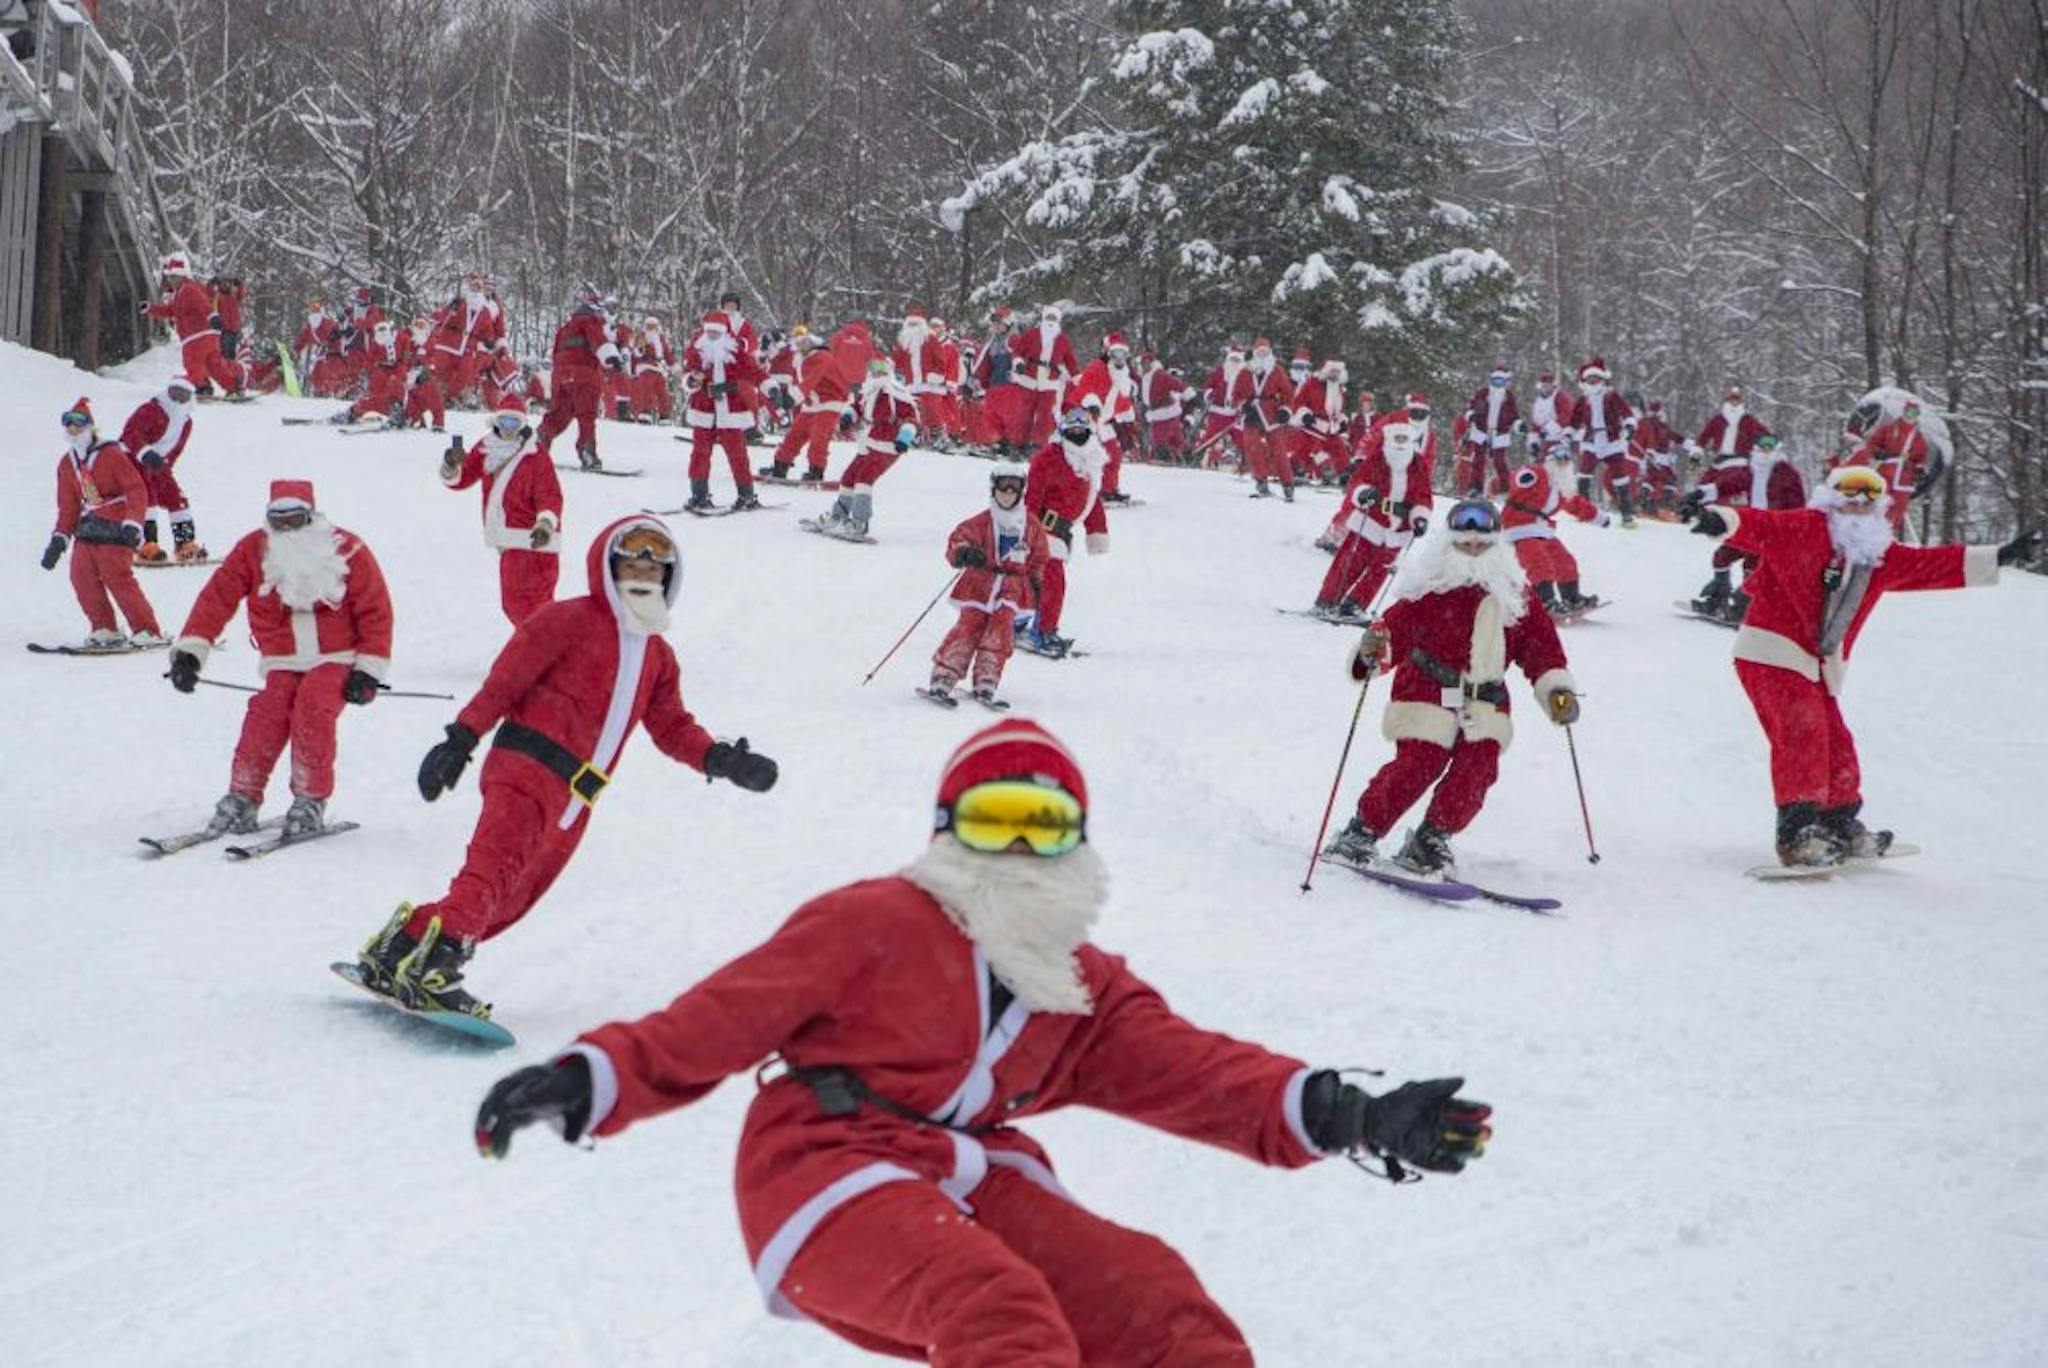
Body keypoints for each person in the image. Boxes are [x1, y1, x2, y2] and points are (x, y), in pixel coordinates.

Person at [472, 717, 1493, 1364]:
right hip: (822, 1168)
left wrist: (1352, 1113)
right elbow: (722, 1013)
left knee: (1156, 1304)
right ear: (944, 831)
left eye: (1041, 826)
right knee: (998, 1311)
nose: (1013, 847)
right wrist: (587, 1078)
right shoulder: (875, 919)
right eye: (991, 819)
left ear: (1074, 845)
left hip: (962, 1173)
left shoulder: (1078, 986)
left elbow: (1196, 1072)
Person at [354, 516, 779, 1015]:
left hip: (577, 797)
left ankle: (400, 946)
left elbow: (671, 727)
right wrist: (461, 737)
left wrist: (721, 759)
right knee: (492, 874)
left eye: (653, 566)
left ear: (669, 578)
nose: (641, 574)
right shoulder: (567, 619)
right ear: (607, 566)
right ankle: (435, 967)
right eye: (630, 563)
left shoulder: (658, 657)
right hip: (527, 765)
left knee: (512, 898)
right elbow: (505, 682)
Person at [1684, 467, 2034, 866]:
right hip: (1772, 650)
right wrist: (1716, 517)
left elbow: (1934, 564)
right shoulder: (1802, 525)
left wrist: (2000, 556)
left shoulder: (1878, 555)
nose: (1860, 503)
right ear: (1831, 496)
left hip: (1817, 663)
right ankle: (1797, 833)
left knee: (1837, 742)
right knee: (1803, 731)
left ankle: (1837, 823)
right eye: (1851, 493)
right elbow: (1753, 523)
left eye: (1871, 495)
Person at [1322, 500, 1579, 876]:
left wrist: (1556, 689)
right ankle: (1360, 832)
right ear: (1448, 541)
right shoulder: (1429, 588)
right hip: (1427, 688)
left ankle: (1431, 838)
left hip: (1484, 698)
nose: (1474, 546)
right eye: (1464, 541)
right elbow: (1392, 633)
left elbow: (1541, 649)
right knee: (1421, 760)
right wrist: (1372, 652)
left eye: (1482, 542)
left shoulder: (1515, 595)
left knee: (1478, 766)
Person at [167, 480, 393, 838]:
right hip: (283, 658)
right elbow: (217, 598)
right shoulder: (253, 550)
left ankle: (310, 799)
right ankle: (242, 795)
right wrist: (191, 653)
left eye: (296, 518)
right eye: (279, 519)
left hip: (335, 657)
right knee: (266, 713)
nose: (287, 527)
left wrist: (368, 669)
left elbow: (375, 609)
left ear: (311, 515)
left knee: (312, 708)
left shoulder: (345, 548)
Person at [41, 397, 162, 649]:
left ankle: (147, 629)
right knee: (81, 575)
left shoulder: (112, 455)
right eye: (68, 422)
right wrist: (59, 538)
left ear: (90, 426)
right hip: (89, 525)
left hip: (116, 522)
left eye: (79, 422)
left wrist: (133, 522)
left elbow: (136, 489)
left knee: (116, 575)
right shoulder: (67, 464)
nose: (73, 428)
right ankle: (104, 627)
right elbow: (68, 506)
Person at [927, 464, 1049, 705]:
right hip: (979, 584)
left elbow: (1040, 558)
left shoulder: (1031, 526)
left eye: (1013, 490)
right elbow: (958, 539)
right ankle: (944, 674)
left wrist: (1036, 586)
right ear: (994, 490)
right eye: (1003, 489)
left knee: (1000, 632)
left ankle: (987, 678)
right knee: (968, 627)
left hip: (1011, 588)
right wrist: (964, 553)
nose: (1007, 494)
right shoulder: (982, 522)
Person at [440, 401, 564, 626]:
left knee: (531, 604)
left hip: (536, 540)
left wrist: (545, 524)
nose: (508, 427)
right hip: (509, 540)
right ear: (496, 421)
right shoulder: (487, 447)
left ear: (522, 423)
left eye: (514, 421)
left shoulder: (535, 455)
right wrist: (451, 464)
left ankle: (544, 649)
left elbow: (550, 494)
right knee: (517, 604)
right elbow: (462, 478)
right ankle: (544, 647)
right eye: (504, 420)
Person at [1313, 398, 1435, 620]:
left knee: (1381, 570)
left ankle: (1355, 604)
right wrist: (1364, 493)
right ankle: (1327, 599)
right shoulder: (1378, 458)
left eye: (1404, 438)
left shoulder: (1418, 465)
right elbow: (1358, 482)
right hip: (1370, 521)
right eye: (1396, 437)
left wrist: (1420, 517)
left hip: (1399, 528)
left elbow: (1423, 496)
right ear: (1389, 437)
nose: (1400, 443)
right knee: (1348, 563)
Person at [1682, 432, 1806, 622]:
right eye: (1762, 445)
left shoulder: (1788, 474)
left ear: (1777, 448)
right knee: (1722, 557)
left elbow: (1799, 507)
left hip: (1773, 530)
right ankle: (1718, 596)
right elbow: (1725, 486)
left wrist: (1791, 531)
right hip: (1749, 526)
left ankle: (1747, 606)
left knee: (1754, 567)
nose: (1766, 450)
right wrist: (1698, 495)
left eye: (1770, 446)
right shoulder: (1750, 471)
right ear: (1755, 448)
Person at [1020, 409, 1109, 657]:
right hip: (1044, 530)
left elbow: (1092, 500)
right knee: (1051, 581)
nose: (1077, 436)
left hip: (1063, 532)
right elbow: (1032, 497)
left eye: (1082, 432)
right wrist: (1028, 531)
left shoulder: (1091, 460)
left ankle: (1019, 623)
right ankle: (1042, 631)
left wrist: (1097, 531)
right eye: (1072, 432)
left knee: (1035, 582)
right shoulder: (1050, 458)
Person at [807, 358, 918, 539]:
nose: (877, 374)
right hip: (869, 443)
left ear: (889, 372)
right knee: (849, 477)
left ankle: (859, 522)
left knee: (864, 480)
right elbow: (857, 407)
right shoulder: (869, 391)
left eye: (882, 370)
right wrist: (847, 418)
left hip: (888, 445)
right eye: (873, 369)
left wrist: (905, 437)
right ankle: (838, 516)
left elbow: (911, 418)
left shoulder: (896, 393)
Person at [681, 310, 769, 511]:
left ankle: (746, 496)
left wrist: (769, 386)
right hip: (704, 408)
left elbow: (754, 372)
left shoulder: (736, 353)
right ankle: (699, 495)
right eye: (709, 332)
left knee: (737, 454)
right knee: (700, 453)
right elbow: (687, 375)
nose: (711, 335)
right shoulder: (697, 351)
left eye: (716, 332)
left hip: (730, 409)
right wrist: (692, 380)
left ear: (725, 333)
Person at [119, 375, 208, 566]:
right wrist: (145, 453)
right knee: (146, 498)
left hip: (158, 465)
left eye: (182, 395)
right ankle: (146, 544)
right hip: (132, 459)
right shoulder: (151, 410)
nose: (177, 399)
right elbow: (130, 433)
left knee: (177, 498)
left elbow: (175, 450)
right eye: (174, 393)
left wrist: (164, 470)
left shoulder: (186, 422)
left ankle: (185, 543)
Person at [536, 285, 622, 472]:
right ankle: (587, 452)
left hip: (561, 377)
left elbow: (556, 355)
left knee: (559, 415)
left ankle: (539, 443)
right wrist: (611, 357)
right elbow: (598, 341)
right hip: (584, 375)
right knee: (586, 415)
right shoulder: (590, 321)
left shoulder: (564, 328)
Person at [1502, 461, 1606, 615]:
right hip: (1520, 527)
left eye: (1565, 458)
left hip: (1541, 529)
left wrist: (1598, 517)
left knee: (1564, 561)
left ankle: (1572, 597)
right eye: (1558, 457)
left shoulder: (1559, 489)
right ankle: (1545, 601)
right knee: (1539, 564)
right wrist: (1525, 476)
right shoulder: (1537, 474)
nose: (1562, 461)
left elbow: (1574, 504)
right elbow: (1518, 479)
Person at [145, 252, 242, 398]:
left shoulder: (189, 289)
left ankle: (202, 387)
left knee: (192, 364)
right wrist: (150, 308)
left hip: (195, 337)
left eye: (174, 277)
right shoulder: (180, 293)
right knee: (214, 366)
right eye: (170, 277)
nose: (171, 280)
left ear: (182, 276)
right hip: (208, 337)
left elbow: (202, 303)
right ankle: (234, 387)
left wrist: (213, 316)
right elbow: (170, 310)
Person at [757, 325, 845, 483]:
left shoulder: (821, 357)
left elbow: (810, 380)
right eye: (798, 343)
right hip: (811, 404)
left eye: (804, 343)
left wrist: (791, 398)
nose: (799, 346)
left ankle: (816, 471)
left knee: (819, 439)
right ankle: (780, 466)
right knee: (794, 436)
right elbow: (797, 381)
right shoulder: (801, 360)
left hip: (829, 403)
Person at [1847, 396, 1946, 534]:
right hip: (1886, 473)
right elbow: (1873, 443)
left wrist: (1919, 471)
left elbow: (1920, 457)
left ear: (1917, 415)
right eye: (1908, 412)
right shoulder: (1889, 429)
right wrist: (1879, 453)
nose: (1910, 416)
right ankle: (1869, 531)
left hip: (1905, 479)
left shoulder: (1918, 437)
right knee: (1878, 503)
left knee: (1897, 512)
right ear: (1903, 411)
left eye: (1913, 413)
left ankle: (1887, 536)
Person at [1565, 357, 1634, 513]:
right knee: (1583, 475)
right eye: (1590, 379)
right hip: (1591, 440)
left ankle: (1627, 512)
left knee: (1620, 476)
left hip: (1611, 440)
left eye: (1596, 378)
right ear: (1585, 381)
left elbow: (1626, 413)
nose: (1593, 382)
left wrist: (1629, 426)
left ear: (1602, 379)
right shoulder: (1583, 399)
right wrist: (1569, 434)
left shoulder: (1611, 396)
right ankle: (1585, 510)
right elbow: (1574, 421)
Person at [1008, 304, 1078, 447]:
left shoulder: (1062, 339)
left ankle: (1039, 444)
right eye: (1048, 318)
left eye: (1054, 318)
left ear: (1058, 321)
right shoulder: (1032, 334)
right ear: (1044, 319)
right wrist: (1019, 363)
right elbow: (1018, 351)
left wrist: (1077, 377)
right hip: (1029, 380)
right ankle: (1019, 443)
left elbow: (1070, 360)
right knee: (1024, 414)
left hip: (1049, 383)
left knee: (1045, 416)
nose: (1051, 321)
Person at [1460, 362, 1519, 497]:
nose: (1498, 384)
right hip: (1482, 431)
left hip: (1499, 434)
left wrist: (1518, 424)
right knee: (1478, 460)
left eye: (1501, 381)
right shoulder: (1483, 393)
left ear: (1505, 382)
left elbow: (1514, 415)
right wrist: (1471, 416)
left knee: (1500, 462)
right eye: (1495, 381)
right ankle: (1476, 487)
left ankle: (1505, 488)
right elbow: (1470, 408)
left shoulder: (1508, 397)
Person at [1291, 357, 1351, 485]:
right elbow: (1298, 402)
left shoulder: (1338, 388)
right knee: (1316, 449)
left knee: (1339, 448)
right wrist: (1305, 414)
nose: (1334, 374)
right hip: (1312, 425)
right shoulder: (1312, 383)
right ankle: (1324, 471)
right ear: (1326, 371)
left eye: (1337, 372)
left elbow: (1338, 411)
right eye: (1332, 371)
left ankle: (1345, 473)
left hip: (1331, 427)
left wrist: (1342, 421)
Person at [1196, 341, 1254, 471]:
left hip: (1236, 414)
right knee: (1209, 438)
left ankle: (1247, 466)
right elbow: (1208, 386)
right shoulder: (1219, 372)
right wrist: (1210, 394)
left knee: (1243, 440)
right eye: (1232, 359)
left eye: (1237, 359)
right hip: (1218, 412)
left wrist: (1245, 404)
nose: (1234, 362)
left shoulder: (1246, 375)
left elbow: (1250, 392)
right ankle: (1196, 458)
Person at [1139, 351, 1189, 463]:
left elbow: (1175, 383)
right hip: (1166, 413)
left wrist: (1186, 392)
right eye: (1143, 364)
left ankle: (1165, 458)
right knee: (1176, 439)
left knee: (1159, 440)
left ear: (1152, 363)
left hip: (1162, 413)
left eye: (1146, 363)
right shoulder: (1147, 377)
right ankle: (1184, 455)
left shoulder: (1159, 375)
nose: (1144, 366)